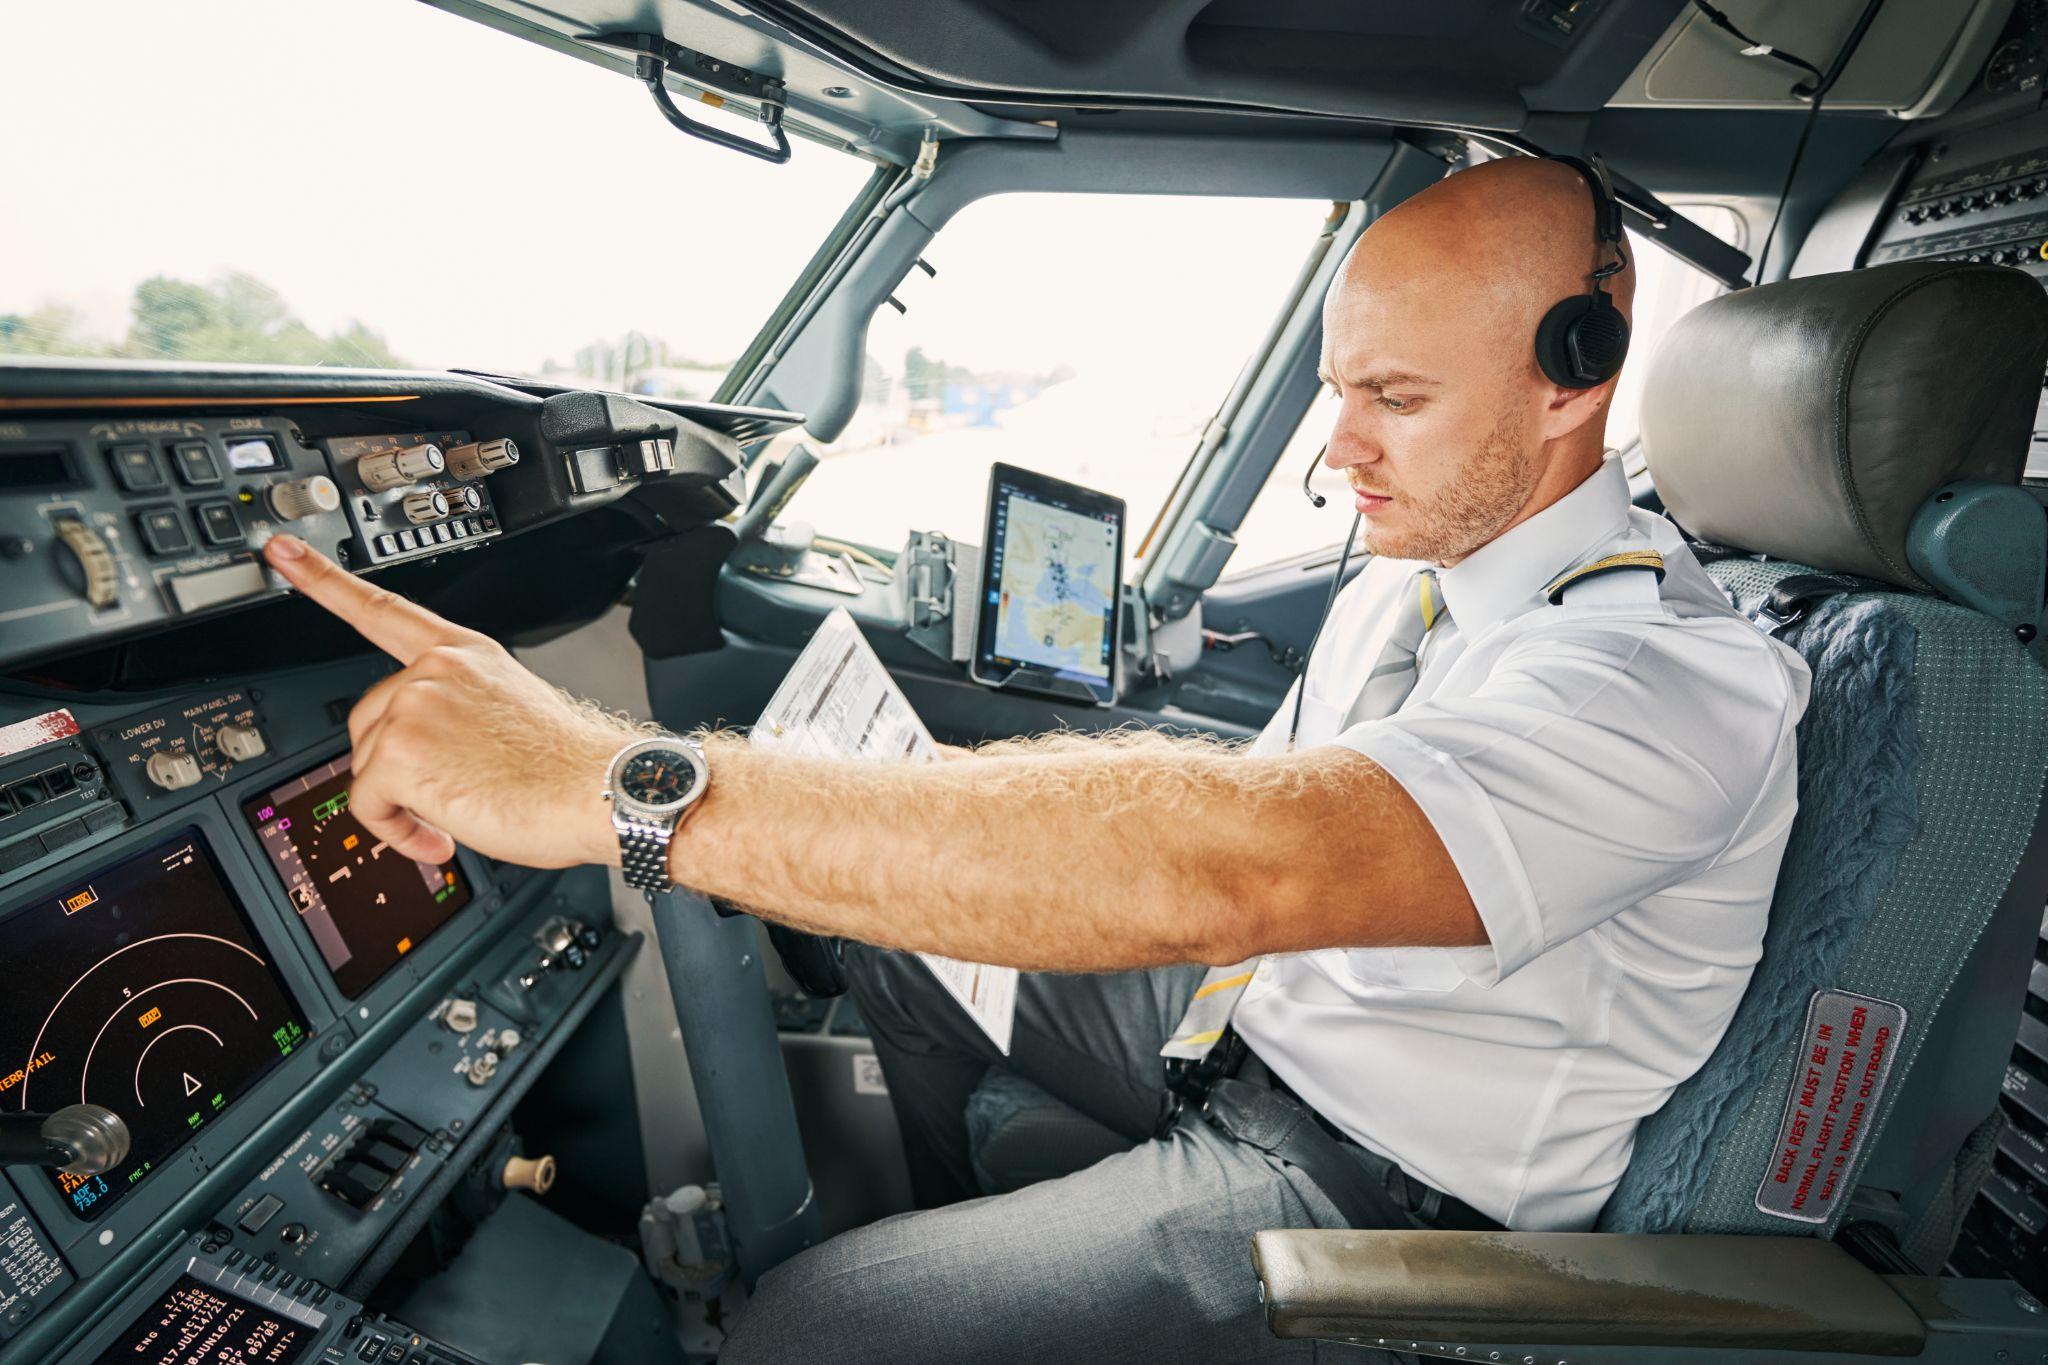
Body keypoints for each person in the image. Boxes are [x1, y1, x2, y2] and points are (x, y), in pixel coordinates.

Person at [260, 156, 1810, 1362]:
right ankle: (981, 1249)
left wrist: (614, 780)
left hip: (1384, 1188)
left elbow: (1238, 864)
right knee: (897, 935)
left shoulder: (1663, 680)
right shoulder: (1417, 583)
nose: (1343, 449)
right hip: (1252, 1030)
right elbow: (1245, 798)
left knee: (815, 1334)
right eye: (1341, 391)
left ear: (1576, 371)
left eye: (1396, 403)